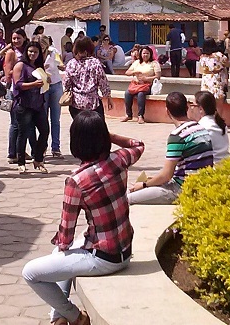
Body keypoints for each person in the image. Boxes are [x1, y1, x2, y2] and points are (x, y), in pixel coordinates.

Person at [22, 111, 144, 325]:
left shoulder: (76, 180)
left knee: (31, 272)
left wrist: (62, 247)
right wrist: (109, 136)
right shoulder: (119, 159)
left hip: (103, 259)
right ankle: (58, 318)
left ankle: (75, 317)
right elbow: (138, 144)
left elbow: (65, 236)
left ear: (76, 141)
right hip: (124, 250)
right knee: (60, 257)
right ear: (103, 137)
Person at [128, 92, 213, 205]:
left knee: (128, 199)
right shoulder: (200, 128)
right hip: (201, 184)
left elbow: (166, 175)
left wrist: (144, 184)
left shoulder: (177, 136)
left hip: (181, 189)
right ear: (187, 108)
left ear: (167, 111)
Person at [13, 41, 49, 174]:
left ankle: (38, 159)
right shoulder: (21, 65)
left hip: (38, 104)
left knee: (45, 131)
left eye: (35, 52)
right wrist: (33, 84)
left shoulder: (39, 67)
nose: (33, 54)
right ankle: (21, 162)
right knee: (23, 133)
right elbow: (18, 85)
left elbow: (43, 84)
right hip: (24, 104)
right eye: (30, 51)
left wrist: (46, 81)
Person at [63, 36, 114, 119]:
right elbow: (103, 83)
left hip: (76, 104)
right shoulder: (95, 63)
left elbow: (66, 83)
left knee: (80, 130)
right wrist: (108, 97)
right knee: (97, 130)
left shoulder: (71, 64)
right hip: (93, 103)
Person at [2, 28, 28, 164]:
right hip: (14, 91)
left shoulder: (27, 51)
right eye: (14, 38)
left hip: (26, 90)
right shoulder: (11, 53)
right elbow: (8, 73)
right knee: (15, 123)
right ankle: (12, 153)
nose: (16, 41)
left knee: (23, 123)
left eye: (18, 38)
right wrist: (22, 71)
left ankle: (21, 150)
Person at [37, 35, 65, 159]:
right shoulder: (35, 53)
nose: (42, 46)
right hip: (43, 86)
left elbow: (61, 64)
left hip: (56, 85)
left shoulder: (54, 52)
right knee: (43, 119)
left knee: (55, 119)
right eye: (40, 44)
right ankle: (42, 147)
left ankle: (56, 147)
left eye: (43, 44)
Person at [122, 46, 161, 124]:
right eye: (144, 53)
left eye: (147, 53)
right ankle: (128, 114)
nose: (145, 55)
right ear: (141, 54)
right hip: (136, 84)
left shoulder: (154, 63)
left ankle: (140, 116)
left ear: (150, 54)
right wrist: (134, 72)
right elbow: (127, 72)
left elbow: (158, 76)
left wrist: (146, 78)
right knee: (127, 93)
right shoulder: (137, 62)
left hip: (147, 85)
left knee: (141, 94)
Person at [191, 90, 230, 164]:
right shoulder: (219, 123)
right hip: (226, 164)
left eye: (193, 105)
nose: (191, 108)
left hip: (213, 167)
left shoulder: (202, 127)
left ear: (200, 109)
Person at [199, 37, 229, 103]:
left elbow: (200, 71)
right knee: (218, 107)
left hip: (205, 82)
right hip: (216, 81)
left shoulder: (202, 57)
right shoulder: (219, 55)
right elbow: (227, 64)